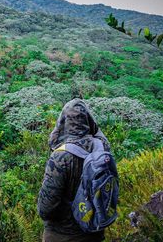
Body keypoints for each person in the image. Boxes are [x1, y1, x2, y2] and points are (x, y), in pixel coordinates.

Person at [38, 98, 111, 242]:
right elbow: (98, 133)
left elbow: (46, 209)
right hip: (94, 231)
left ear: (63, 121)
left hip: (63, 235)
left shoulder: (60, 157)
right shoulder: (102, 148)